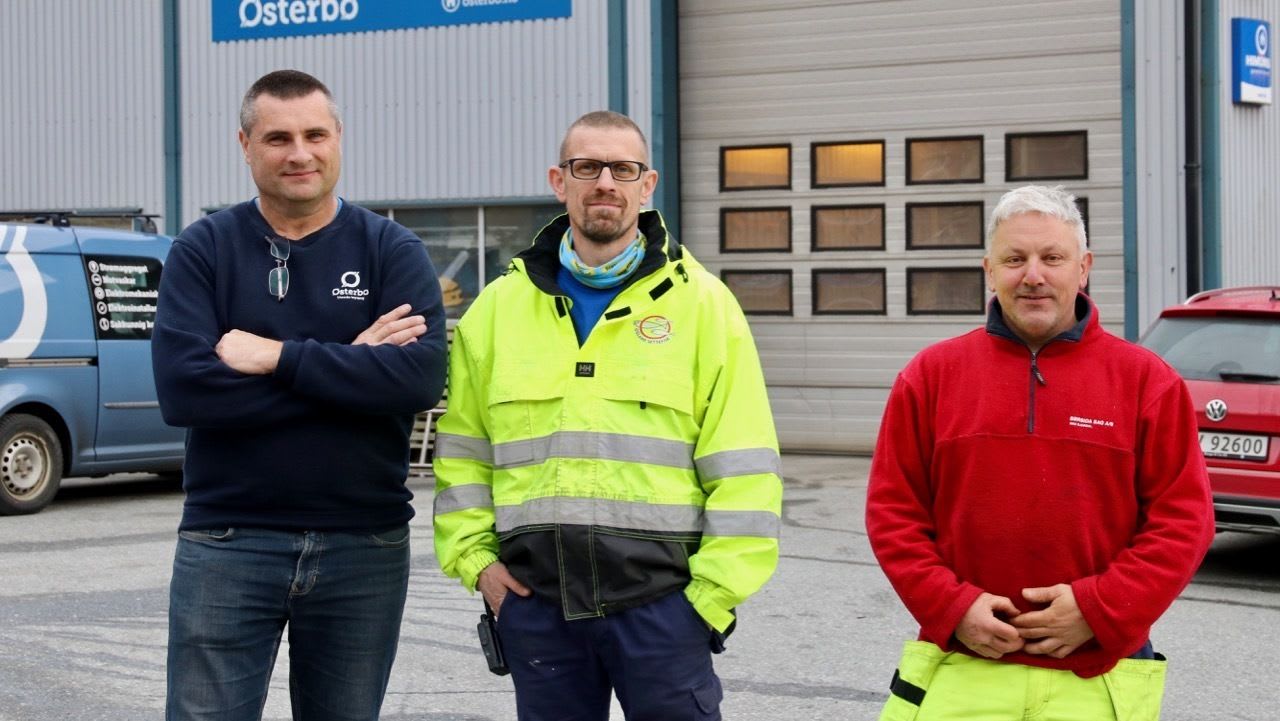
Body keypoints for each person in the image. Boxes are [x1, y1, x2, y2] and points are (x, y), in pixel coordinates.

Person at [431, 110, 783, 721]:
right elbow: (463, 454)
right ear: (558, 181)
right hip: (537, 610)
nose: (604, 183)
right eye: (587, 167)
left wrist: (709, 598)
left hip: (665, 612)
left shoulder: (704, 306)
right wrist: (479, 566)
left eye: (623, 169)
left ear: (647, 185)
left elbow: (745, 466)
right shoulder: (497, 310)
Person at [152, 69, 447, 720]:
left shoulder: (389, 250)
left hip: (362, 543)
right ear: (245, 145)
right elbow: (186, 394)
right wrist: (353, 364)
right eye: (278, 137)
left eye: (315, 134)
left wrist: (275, 357)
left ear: (338, 136)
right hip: (229, 539)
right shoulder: (203, 250)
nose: (299, 153)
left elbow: (418, 379)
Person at [865, 185, 1215, 720]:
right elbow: (894, 514)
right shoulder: (931, 377)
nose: (1033, 275)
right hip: (961, 669)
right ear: (989, 270)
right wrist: (951, 607)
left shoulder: (1146, 382)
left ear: (1084, 268)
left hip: (1098, 673)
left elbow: (1184, 521)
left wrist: (1099, 609)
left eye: (1053, 258)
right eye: (1014, 260)